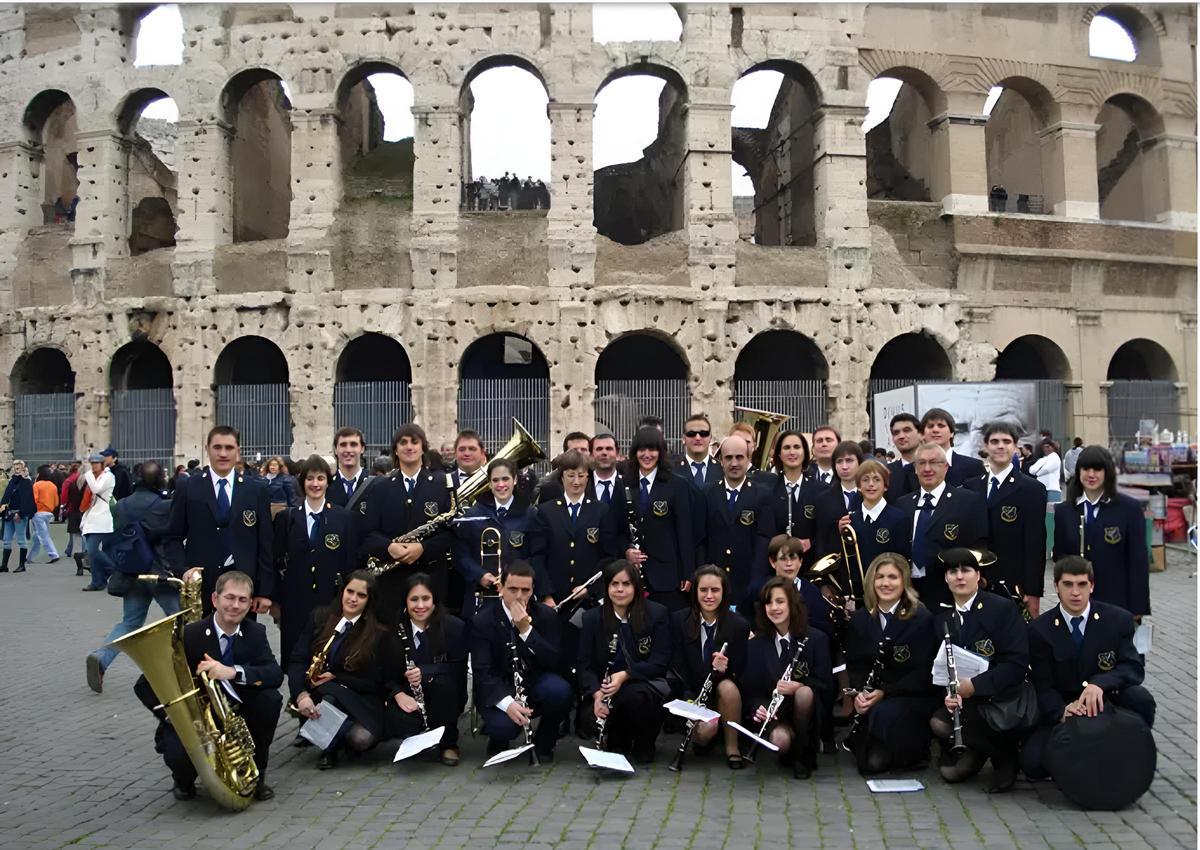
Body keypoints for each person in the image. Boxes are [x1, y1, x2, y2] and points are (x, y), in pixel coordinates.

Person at [140, 570, 281, 801]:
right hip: (196, 716)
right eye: (230, 598)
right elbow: (145, 685)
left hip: (236, 712)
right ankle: (183, 779)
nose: (235, 605)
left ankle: (257, 774)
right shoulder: (189, 634)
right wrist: (175, 715)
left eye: (242, 600)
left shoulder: (255, 632)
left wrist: (231, 672)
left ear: (249, 604)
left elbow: (274, 674)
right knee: (178, 754)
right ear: (215, 600)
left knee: (270, 699)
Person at [1021, 555, 1155, 781]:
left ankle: (1134, 750)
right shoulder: (1039, 630)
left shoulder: (1118, 620)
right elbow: (1042, 685)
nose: (1075, 592)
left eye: (1082, 584)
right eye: (1068, 584)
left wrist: (1098, 684)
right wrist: (1061, 711)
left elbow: (1133, 667)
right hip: (1066, 707)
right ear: (1056, 586)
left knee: (1140, 698)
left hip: (1106, 700)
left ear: (1091, 586)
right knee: (1033, 764)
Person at [929, 548, 1029, 792]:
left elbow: (1016, 664)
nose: (960, 577)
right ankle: (976, 751)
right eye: (953, 571)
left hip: (1000, 697)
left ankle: (1005, 756)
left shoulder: (1002, 609)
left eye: (966, 570)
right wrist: (950, 693)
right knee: (938, 723)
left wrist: (975, 686)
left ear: (978, 576)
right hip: (965, 701)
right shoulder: (941, 618)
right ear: (946, 578)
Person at [86, 461, 180, 693]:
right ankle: (187, 669)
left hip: (132, 571)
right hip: (160, 574)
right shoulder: (166, 505)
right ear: (160, 480)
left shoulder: (121, 506)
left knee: (130, 622)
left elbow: (117, 537)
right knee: (181, 620)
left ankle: (101, 657)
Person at [844, 553, 940, 774]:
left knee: (882, 719)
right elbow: (857, 665)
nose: (885, 583)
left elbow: (925, 672)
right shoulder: (860, 619)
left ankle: (915, 750)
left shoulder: (921, 618)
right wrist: (860, 694)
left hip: (910, 697)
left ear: (904, 581)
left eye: (893, 577)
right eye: (880, 577)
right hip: (875, 699)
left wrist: (885, 692)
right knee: (870, 764)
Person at [164, 426, 275, 616]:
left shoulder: (255, 490)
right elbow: (172, 537)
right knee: (202, 644)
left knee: (244, 643)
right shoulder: (189, 487)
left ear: (238, 451)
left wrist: (264, 591)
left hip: (243, 586)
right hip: (202, 588)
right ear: (207, 449)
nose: (223, 454)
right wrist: (184, 571)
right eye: (217, 447)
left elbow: (265, 543)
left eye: (229, 448)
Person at [289, 570, 392, 770]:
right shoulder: (319, 617)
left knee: (361, 739)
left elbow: (377, 681)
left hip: (360, 697)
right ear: (342, 591)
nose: (353, 599)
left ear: (369, 601)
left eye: (361, 595)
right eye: (349, 591)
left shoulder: (378, 633)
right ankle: (329, 747)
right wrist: (301, 696)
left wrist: (338, 677)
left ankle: (332, 734)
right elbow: (297, 660)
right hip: (320, 696)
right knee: (329, 696)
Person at [470, 560, 571, 761]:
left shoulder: (546, 615)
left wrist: (526, 631)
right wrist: (507, 703)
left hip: (534, 684)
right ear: (500, 589)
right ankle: (499, 740)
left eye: (525, 590)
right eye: (513, 589)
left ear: (533, 590)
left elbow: (555, 662)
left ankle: (544, 744)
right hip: (500, 688)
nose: (519, 596)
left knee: (560, 691)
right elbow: (483, 671)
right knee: (503, 728)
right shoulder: (482, 620)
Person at [577, 559, 672, 763]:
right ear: (607, 587)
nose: (620, 590)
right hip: (603, 691)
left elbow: (659, 663)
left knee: (637, 698)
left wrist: (625, 675)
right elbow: (584, 665)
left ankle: (643, 744)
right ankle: (616, 741)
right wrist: (596, 695)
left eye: (626, 584)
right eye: (614, 584)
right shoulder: (592, 619)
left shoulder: (657, 614)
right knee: (589, 722)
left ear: (636, 587)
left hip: (641, 685)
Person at [358, 424, 454, 622]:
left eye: (414, 442)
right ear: (395, 449)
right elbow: (367, 532)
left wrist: (423, 548)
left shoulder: (441, 483)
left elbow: (450, 532)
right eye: (403, 442)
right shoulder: (379, 487)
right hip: (391, 582)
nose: (409, 447)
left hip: (431, 577)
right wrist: (389, 547)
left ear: (423, 448)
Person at [740, 577, 833, 779]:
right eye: (769, 602)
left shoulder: (816, 639)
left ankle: (804, 756)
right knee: (778, 741)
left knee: (804, 693)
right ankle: (789, 750)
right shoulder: (755, 645)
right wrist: (759, 709)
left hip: (807, 712)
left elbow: (826, 685)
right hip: (778, 715)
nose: (774, 608)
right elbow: (751, 689)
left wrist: (799, 685)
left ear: (792, 603)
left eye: (780, 601)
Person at [274, 455, 358, 672]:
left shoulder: (343, 518)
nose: (315, 484)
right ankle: (296, 697)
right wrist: (276, 601)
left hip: (329, 599)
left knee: (327, 654)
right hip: (294, 601)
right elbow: (276, 560)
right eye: (310, 478)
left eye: (320, 478)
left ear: (328, 482)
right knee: (295, 655)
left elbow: (349, 563)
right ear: (302, 482)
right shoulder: (287, 518)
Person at [1051, 446, 1149, 617]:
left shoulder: (1129, 509)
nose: (1091, 475)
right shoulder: (1064, 511)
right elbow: (1060, 557)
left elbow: (1138, 562)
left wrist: (1138, 608)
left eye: (1097, 469)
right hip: (1077, 604)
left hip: (1116, 602)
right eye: (1086, 469)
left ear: (1108, 472)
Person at [669, 565, 750, 768]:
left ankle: (733, 747)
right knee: (706, 732)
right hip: (693, 693)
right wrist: (691, 700)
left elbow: (743, 672)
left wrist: (726, 670)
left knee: (728, 687)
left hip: (725, 696)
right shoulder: (679, 620)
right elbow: (677, 666)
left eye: (715, 590)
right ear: (695, 591)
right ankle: (706, 739)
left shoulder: (738, 625)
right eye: (703, 590)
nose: (709, 596)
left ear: (724, 592)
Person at [964, 421, 1047, 616]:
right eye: (994, 441)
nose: (1000, 446)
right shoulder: (970, 487)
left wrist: (1034, 592)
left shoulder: (1031, 489)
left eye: (1006, 441)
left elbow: (1035, 545)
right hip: (977, 582)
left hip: (1014, 585)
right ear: (986, 446)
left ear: (1015, 448)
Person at [385, 572, 468, 766]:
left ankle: (449, 743)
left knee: (443, 685)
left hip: (445, 694)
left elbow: (459, 667)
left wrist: (427, 672)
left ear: (434, 601)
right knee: (398, 720)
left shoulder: (454, 627)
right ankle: (415, 735)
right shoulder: (393, 630)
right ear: (405, 601)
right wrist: (397, 693)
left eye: (425, 599)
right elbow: (385, 673)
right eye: (414, 599)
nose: (420, 606)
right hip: (409, 695)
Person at [897, 442, 988, 609]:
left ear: (946, 467)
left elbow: (978, 546)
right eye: (921, 463)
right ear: (915, 469)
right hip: (908, 591)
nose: (927, 468)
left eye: (934, 462)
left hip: (948, 590)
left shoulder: (968, 501)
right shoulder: (903, 504)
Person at [528, 449, 618, 607]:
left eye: (581, 476)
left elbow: (609, 557)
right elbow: (538, 556)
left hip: (588, 601)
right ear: (562, 477)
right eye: (571, 475)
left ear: (588, 477)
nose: (576, 482)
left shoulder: (600, 510)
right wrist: (546, 594)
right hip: (554, 599)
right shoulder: (546, 511)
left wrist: (590, 589)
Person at [621, 426, 694, 611]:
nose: (647, 455)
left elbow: (684, 531)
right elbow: (616, 528)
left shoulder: (677, 485)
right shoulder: (623, 484)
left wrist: (687, 573)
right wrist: (626, 551)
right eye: (642, 450)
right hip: (632, 576)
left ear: (661, 453)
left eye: (652, 449)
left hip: (667, 576)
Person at [697, 434, 774, 609]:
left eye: (740, 457)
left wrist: (756, 580)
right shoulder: (708, 492)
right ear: (721, 461)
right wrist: (703, 575)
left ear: (748, 459)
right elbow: (701, 538)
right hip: (713, 584)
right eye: (728, 458)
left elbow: (764, 539)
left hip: (748, 583)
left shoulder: (761, 494)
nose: (734, 463)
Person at [454, 457, 540, 611]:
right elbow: (460, 554)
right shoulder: (473, 514)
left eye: (505, 479)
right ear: (489, 483)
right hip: (480, 596)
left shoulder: (530, 514)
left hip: (517, 596)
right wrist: (479, 575)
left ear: (514, 480)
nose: (501, 485)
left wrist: (513, 577)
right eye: (495, 480)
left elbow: (536, 554)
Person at [807, 441, 866, 579]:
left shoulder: (870, 494)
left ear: (860, 463)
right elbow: (820, 538)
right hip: (837, 572)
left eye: (849, 461)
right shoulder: (823, 499)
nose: (844, 466)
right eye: (839, 462)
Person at [841, 460, 910, 572]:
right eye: (865, 479)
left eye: (877, 479)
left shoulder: (900, 519)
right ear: (858, 486)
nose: (871, 484)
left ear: (885, 486)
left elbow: (902, 561)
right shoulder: (850, 521)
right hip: (858, 586)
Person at [902, 408, 986, 491]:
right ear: (923, 434)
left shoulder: (973, 467)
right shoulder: (910, 470)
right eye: (930, 426)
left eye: (941, 426)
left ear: (952, 432)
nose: (935, 430)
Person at [80, 453, 117, 589]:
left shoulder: (108, 476)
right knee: (95, 552)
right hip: (91, 517)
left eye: (96, 464)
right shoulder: (94, 477)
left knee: (92, 550)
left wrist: (88, 474)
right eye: (92, 464)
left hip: (103, 517)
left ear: (102, 464)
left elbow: (97, 489)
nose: (94, 466)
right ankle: (97, 581)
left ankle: (116, 571)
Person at [769, 430, 814, 538]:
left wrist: (811, 542)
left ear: (805, 452)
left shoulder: (820, 490)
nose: (792, 452)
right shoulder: (768, 489)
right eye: (787, 448)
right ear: (779, 454)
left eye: (797, 447)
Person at [1, 460, 36, 574]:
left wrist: (20, 513)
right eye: (15, 466)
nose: (16, 468)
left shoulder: (26, 482)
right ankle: (4, 565)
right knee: (6, 540)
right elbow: (6, 496)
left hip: (20, 514)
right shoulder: (12, 481)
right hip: (9, 513)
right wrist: (3, 507)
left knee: (21, 540)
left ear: (23, 468)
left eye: (18, 466)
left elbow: (27, 500)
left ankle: (22, 565)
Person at [327, 427, 371, 509]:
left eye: (353, 444)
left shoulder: (375, 485)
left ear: (362, 449)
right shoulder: (326, 486)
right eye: (343, 445)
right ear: (335, 450)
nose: (348, 450)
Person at [677, 413, 720, 489]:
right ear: (683, 438)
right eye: (691, 433)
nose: (697, 438)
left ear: (710, 438)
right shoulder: (672, 470)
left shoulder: (722, 469)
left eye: (703, 433)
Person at [885, 413, 922, 501]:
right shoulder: (885, 473)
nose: (901, 436)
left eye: (907, 430)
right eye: (896, 433)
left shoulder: (933, 468)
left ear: (920, 434)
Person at [29, 465, 60, 564]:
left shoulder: (37, 485)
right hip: (49, 512)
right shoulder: (53, 486)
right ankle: (29, 557)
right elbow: (56, 502)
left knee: (43, 535)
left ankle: (54, 554)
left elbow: (34, 500)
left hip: (38, 513)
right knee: (37, 536)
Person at [62, 461, 86, 575]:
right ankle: (88, 562)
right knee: (88, 541)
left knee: (76, 541)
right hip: (86, 514)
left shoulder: (71, 484)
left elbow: (66, 499)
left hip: (74, 514)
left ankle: (79, 568)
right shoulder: (90, 486)